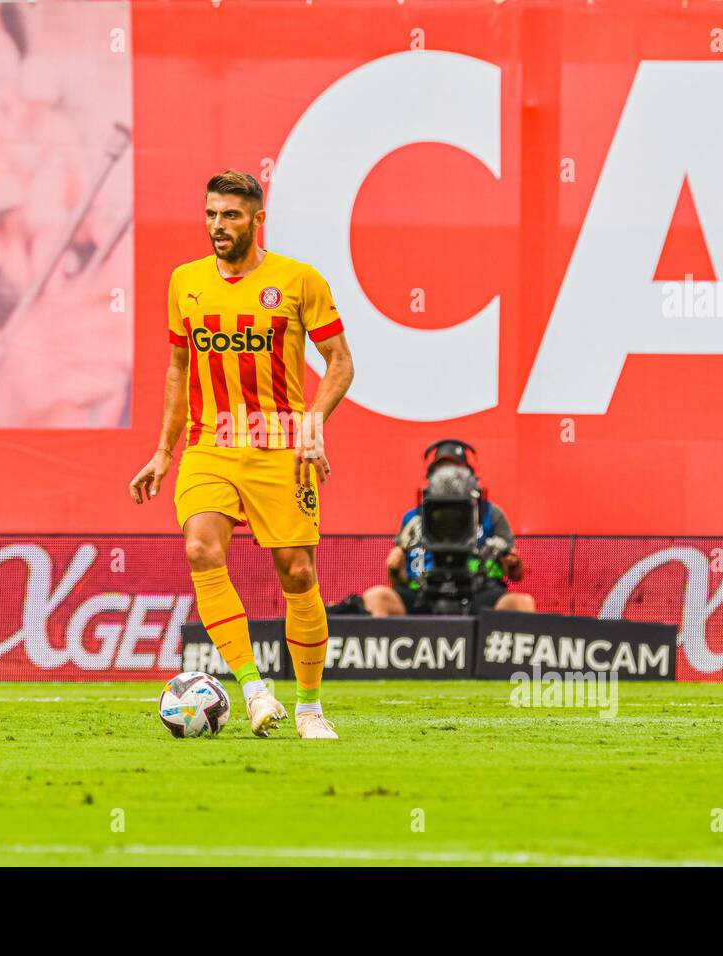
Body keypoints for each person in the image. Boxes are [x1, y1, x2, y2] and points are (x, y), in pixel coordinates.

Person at [129, 170, 355, 739]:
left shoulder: (299, 281)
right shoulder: (186, 281)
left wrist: (312, 422)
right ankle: (253, 689)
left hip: (281, 447)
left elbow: (340, 362)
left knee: (298, 572)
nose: (217, 226)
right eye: (210, 214)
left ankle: (308, 707)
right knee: (201, 549)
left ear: (257, 220)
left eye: (230, 215)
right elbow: (179, 368)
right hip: (210, 444)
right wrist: (163, 450)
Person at [364, 440, 536, 616]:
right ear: (431, 475)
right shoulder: (413, 518)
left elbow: (516, 574)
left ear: (470, 475)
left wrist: (513, 563)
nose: (448, 476)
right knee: (377, 597)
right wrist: (395, 568)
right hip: (424, 591)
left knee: (520, 603)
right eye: (442, 470)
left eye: (455, 469)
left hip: (479, 591)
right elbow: (397, 581)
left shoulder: (491, 513)